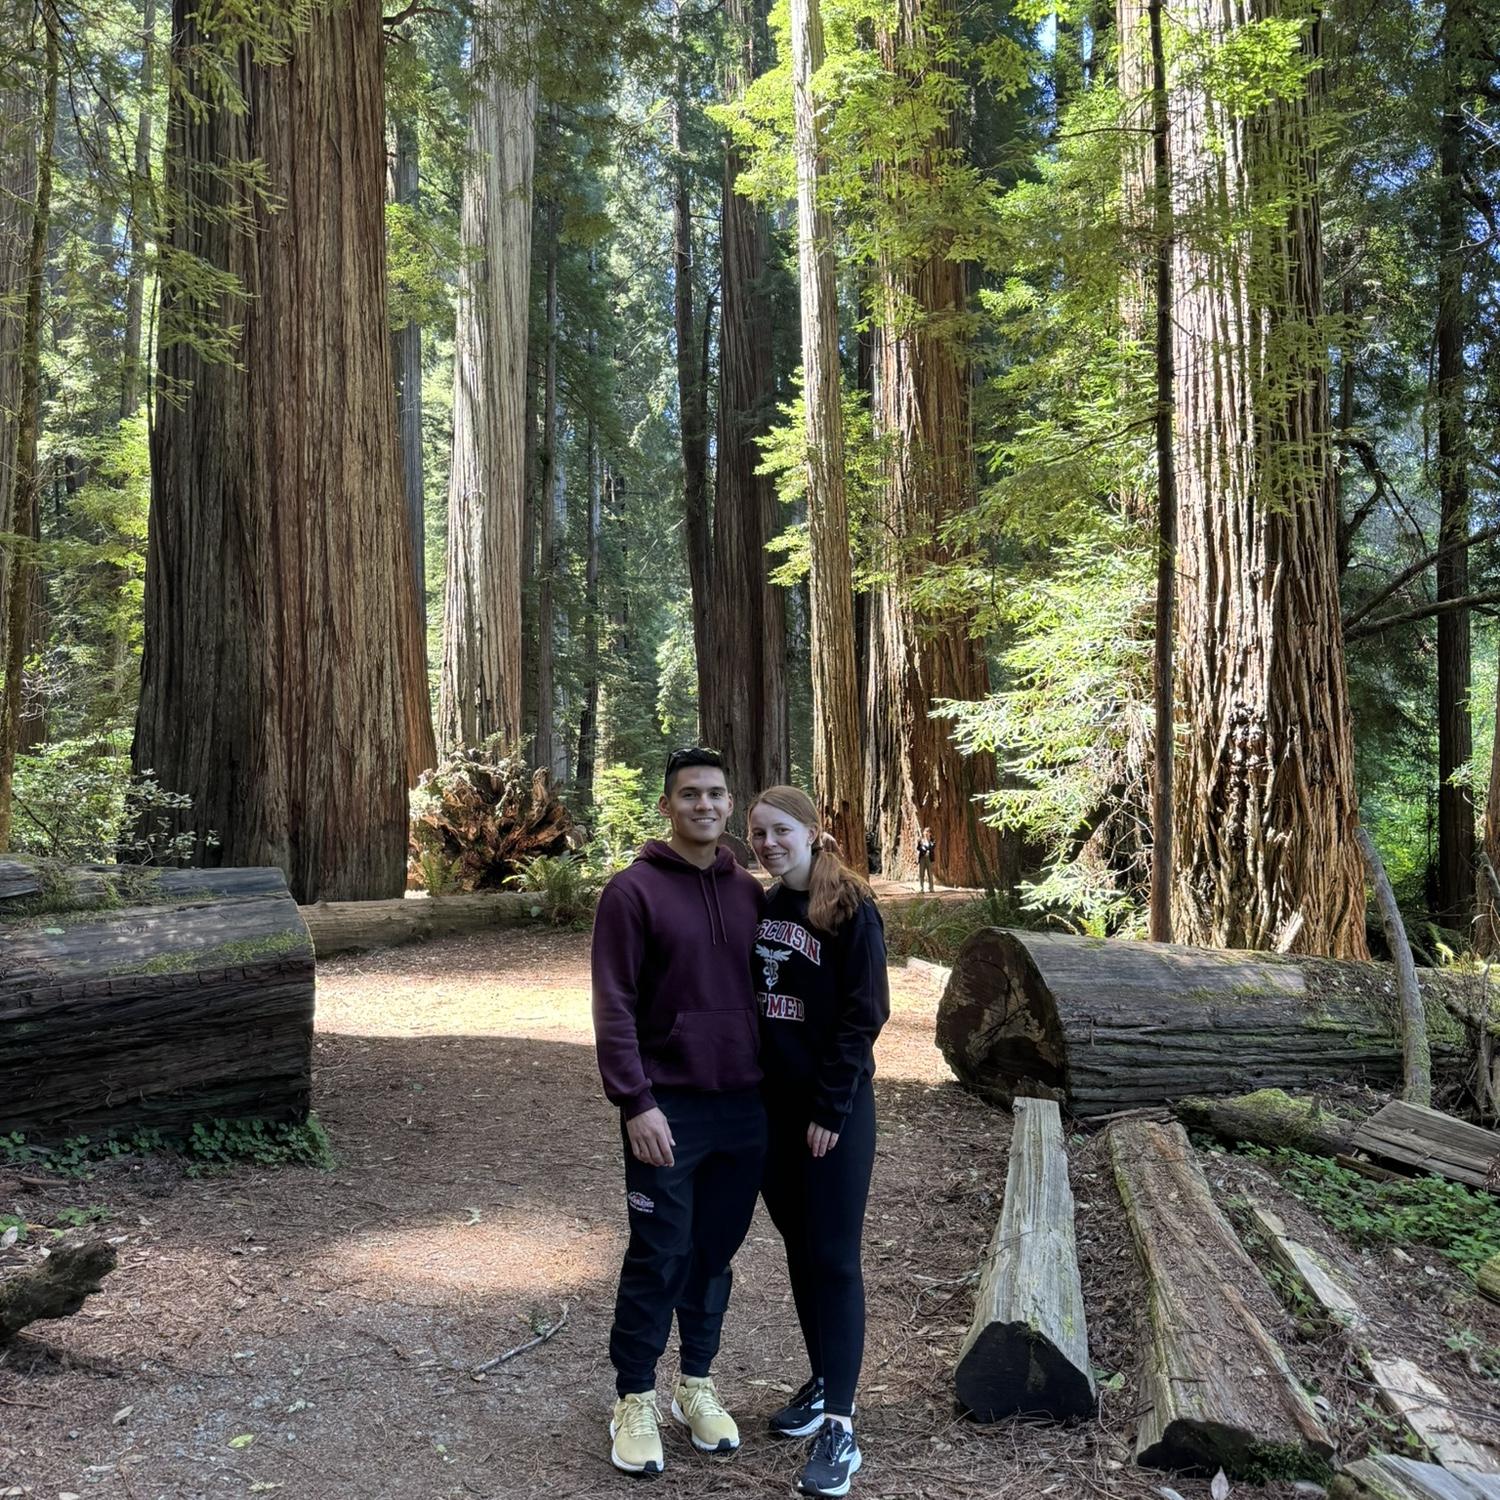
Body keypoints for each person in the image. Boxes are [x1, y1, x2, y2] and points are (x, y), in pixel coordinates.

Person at [591, 747, 768, 1476]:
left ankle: (696, 1384)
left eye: (716, 793)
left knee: (713, 1253)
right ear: (667, 806)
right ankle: (634, 1396)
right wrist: (636, 1101)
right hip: (667, 1110)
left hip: (745, 1107)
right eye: (690, 793)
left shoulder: (749, 892)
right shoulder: (631, 893)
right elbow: (614, 1006)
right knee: (659, 1252)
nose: (704, 804)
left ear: (730, 805)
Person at [747, 786, 890, 1498]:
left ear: (811, 831)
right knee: (800, 1252)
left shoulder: (851, 907)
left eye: (780, 831)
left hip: (833, 1114)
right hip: (774, 1115)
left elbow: (865, 1014)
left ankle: (841, 1427)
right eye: (758, 834)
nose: (768, 844)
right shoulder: (766, 907)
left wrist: (831, 1108)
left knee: (833, 1258)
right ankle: (825, 1379)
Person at [915, 826, 936, 893]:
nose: (926, 833)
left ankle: (931, 888)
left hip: (929, 858)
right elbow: (918, 848)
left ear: (930, 833)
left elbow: (932, 847)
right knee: (921, 873)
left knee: (930, 873)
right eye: (925, 832)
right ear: (923, 832)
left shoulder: (932, 840)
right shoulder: (920, 840)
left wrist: (927, 848)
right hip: (922, 858)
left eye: (928, 832)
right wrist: (923, 849)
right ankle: (921, 888)